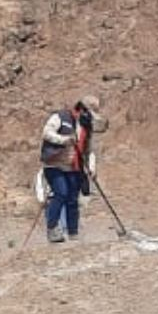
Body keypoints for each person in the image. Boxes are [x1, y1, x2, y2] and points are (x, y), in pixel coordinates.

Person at [39, 96, 100, 243]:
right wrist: (64, 139)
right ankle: (52, 229)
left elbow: (89, 149)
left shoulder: (87, 126)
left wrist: (91, 167)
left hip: (74, 166)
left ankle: (73, 232)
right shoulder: (60, 117)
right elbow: (46, 133)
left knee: (73, 199)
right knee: (61, 193)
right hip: (55, 164)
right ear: (82, 109)